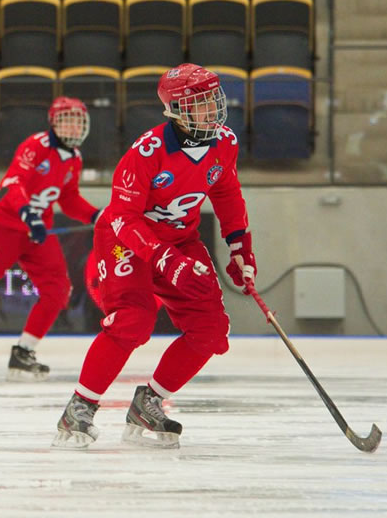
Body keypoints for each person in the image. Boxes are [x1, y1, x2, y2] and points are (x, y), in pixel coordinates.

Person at [52, 63, 257, 449]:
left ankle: (148, 403)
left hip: (181, 240)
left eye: (214, 99)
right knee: (133, 320)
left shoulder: (225, 142)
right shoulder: (146, 152)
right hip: (124, 239)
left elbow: (226, 192)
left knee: (211, 329)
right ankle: (79, 407)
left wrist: (239, 247)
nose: (213, 109)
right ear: (178, 110)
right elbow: (124, 217)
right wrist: (163, 259)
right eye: (201, 103)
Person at [0, 97, 100, 381]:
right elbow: (13, 184)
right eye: (67, 120)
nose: (73, 127)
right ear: (53, 122)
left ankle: (24, 352)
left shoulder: (74, 159)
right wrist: (29, 215)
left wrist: (96, 216)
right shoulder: (35, 146)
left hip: (37, 232)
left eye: (78, 121)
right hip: (3, 226)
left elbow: (70, 199)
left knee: (58, 290)